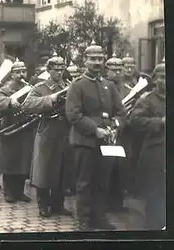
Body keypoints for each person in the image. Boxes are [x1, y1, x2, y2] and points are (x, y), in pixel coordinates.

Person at [65, 41, 126, 231]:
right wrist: (95, 129)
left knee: (102, 181)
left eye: (100, 59)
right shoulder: (77, 86)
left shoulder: (109, 85)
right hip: (85, 142)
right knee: (84, 182)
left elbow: (121, 112)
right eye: (92, 59)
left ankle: (99, 217)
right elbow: (73, 115)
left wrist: (116, 126)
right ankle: (84, 219)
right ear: (85, 61)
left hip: (107, 142)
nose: (97, 63)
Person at [22, 53, 74, 217]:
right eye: (56, 69)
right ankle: (43, 205)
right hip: (47, 130)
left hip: (64, 129)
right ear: (49, 70)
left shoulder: (69, 85)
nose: (59, 72)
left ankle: (58, 204)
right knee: (44, 169)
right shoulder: (40, 87)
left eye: (61, 69)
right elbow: (27, 104)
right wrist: (49, 99)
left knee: (62, 168)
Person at [0, 58, 33, 202]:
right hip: (9, 128)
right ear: (12, 74)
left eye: (23, 71)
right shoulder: (6, 88)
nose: (21, 75)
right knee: (9, 161)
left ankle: (19, 192)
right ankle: (8, 192)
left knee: (23, 161)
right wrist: (8, 101)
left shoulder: (30, 87)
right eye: (18, 72)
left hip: (25, 127)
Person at [130, 58, 165, 230]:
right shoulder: (147, 99)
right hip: (155, 152)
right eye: (162, 77)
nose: (165, 81)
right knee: (154, 197)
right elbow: (135, 121)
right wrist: (160, 122)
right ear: (156, 79)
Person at [104, 53, 131, 212]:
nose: (117, 73)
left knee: (121, 168)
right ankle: (105, 202)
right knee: (106, 168)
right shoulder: (103, 87)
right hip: (106, 132)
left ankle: (117, 202)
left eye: (119, 69)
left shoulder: (127, 89)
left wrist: (120, 122)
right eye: (113, 70)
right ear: (106, 70)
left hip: (123, 132)